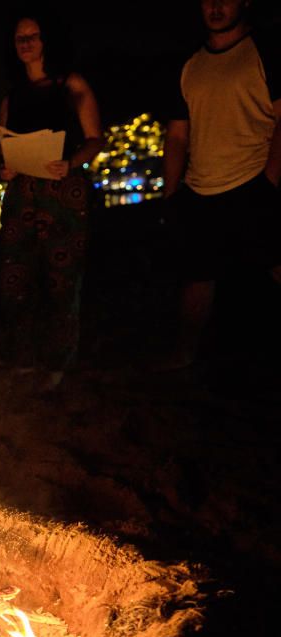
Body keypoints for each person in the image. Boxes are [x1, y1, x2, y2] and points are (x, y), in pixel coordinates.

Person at [161, 0, 280, 370]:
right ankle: (184, 355)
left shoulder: (265, 51)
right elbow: (178, 136)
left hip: (252, 179)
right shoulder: (189, 64)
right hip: (201, 188)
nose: (215, 6)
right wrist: (171, 195)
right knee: (196, 278)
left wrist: (270, 182)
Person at [0, 12, 103, 391]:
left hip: (62, 190)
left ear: (48, 40)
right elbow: (6, 147)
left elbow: (95, 138)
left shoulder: (70, 83)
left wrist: (70, 162)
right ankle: (24, 357)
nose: (25, 43)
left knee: (62, 280)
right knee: (15, 278)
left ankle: (59, 363)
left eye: (33, 36)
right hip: (23, 193)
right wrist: (6, 170)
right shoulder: (12, 96)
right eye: (19, 38)